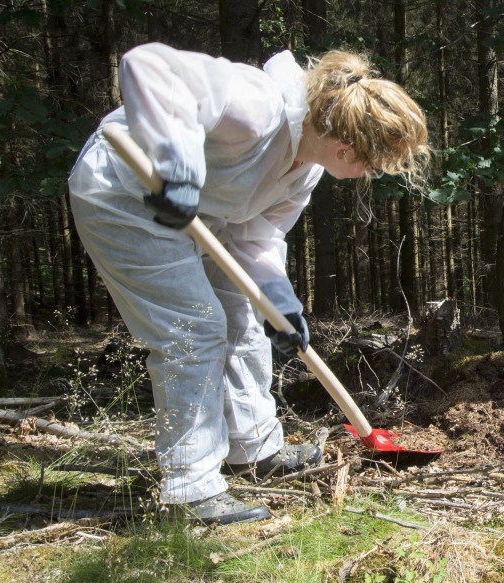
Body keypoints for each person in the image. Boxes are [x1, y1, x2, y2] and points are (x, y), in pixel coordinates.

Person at [68, 43, 429, 525]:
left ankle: (253, 449)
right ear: (347, 150)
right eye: (374, 166)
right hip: (124, 197)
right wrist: (176, 166)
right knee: (195, 331)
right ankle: (189, 489)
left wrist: (280, 302)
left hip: (202, 217)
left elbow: (256, 233)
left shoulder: (305, 173)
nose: (370, 176)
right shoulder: (256, 106)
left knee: (240, 317)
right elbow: (148, 64)